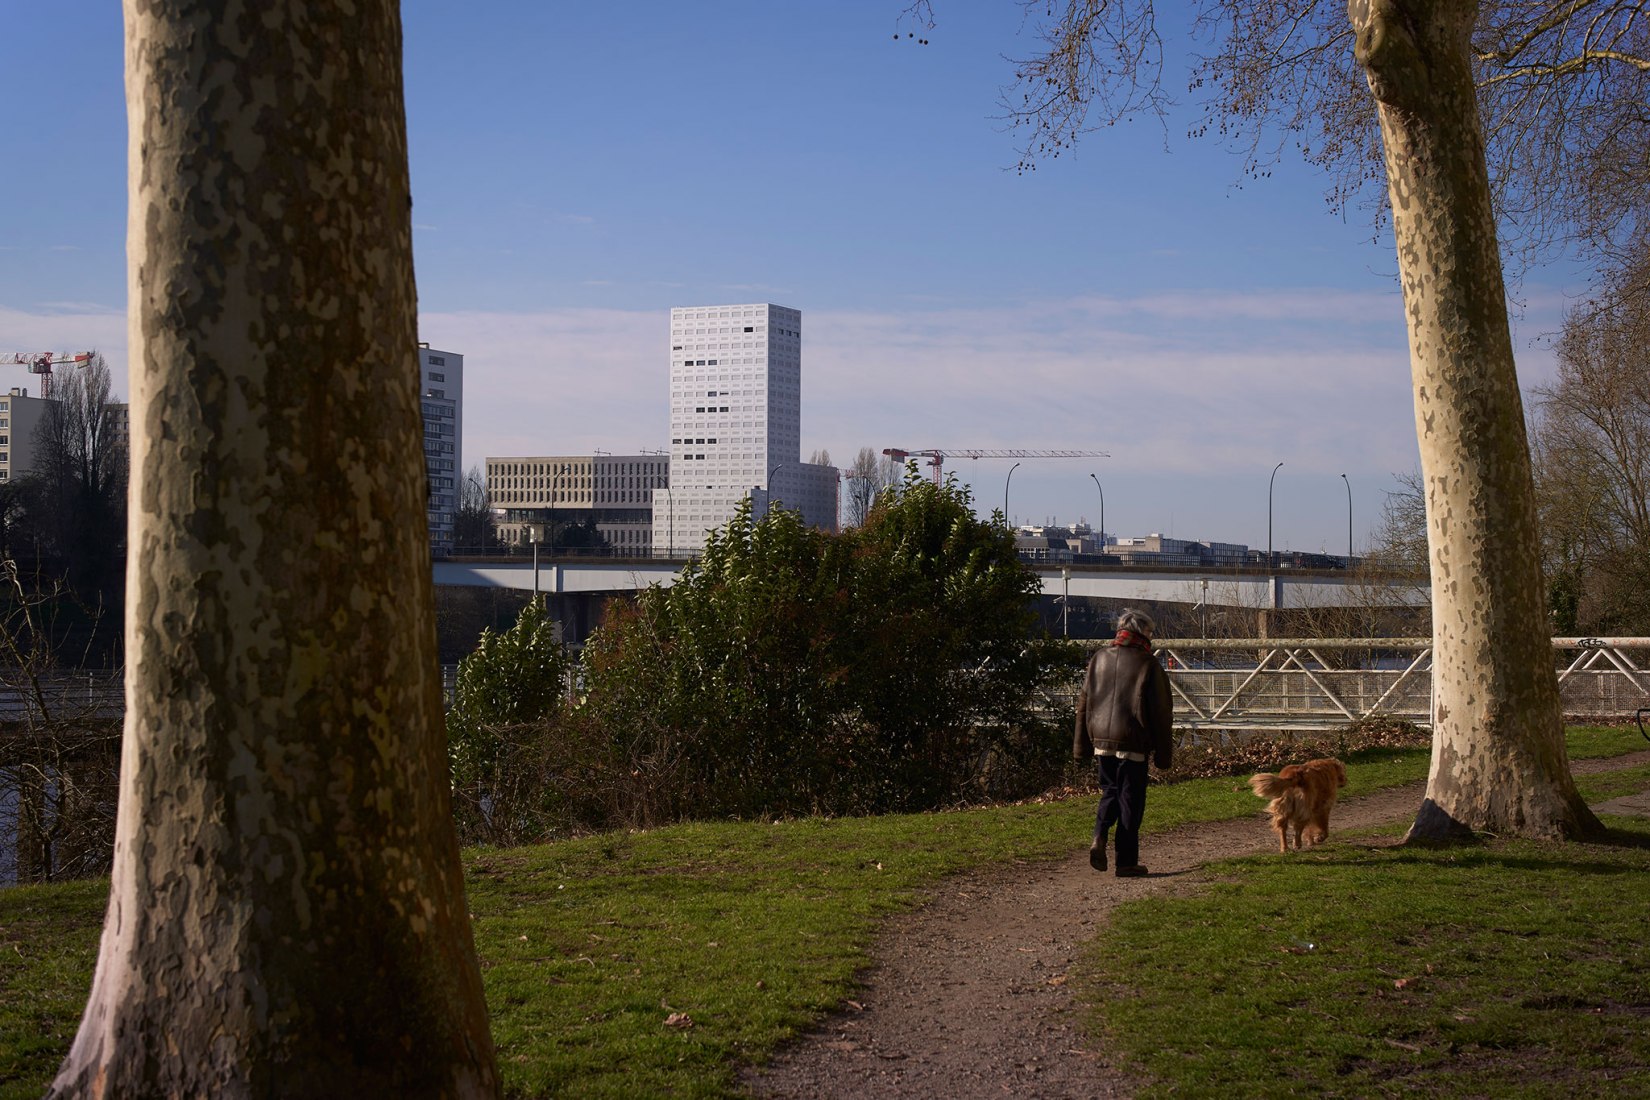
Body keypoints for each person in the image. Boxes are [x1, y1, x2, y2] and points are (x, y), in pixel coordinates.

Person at [1073, 608, 1173, 877]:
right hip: (1133, 743)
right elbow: (1161, 713)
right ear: (1143, 632)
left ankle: (1099, 835)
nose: (1152, 637)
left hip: (1101, 740)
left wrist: (1080, 745)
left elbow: (1084, 704)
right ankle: (1126, 862)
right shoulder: (1148, 663)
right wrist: (1164, 755)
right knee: (1130, 801)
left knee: (1110, 792)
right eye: (1151, 632)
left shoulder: (1099, 658)